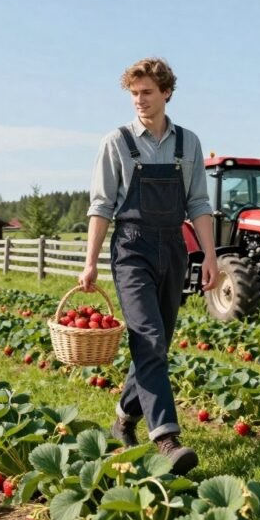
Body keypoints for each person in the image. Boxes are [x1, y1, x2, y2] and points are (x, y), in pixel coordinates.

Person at [78, 57, 217, 476]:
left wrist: (210, 256)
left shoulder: (188, 143)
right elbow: (101, 206)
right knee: (149, 337)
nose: (139, 100)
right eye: (134, 93)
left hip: (174, 247)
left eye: (148, 92)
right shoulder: (116, 142)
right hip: (132, 248)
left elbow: (198, 203)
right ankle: (166, 438)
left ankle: (124, 417)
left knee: (158, 344)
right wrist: (90, 263)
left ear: (167, 92)